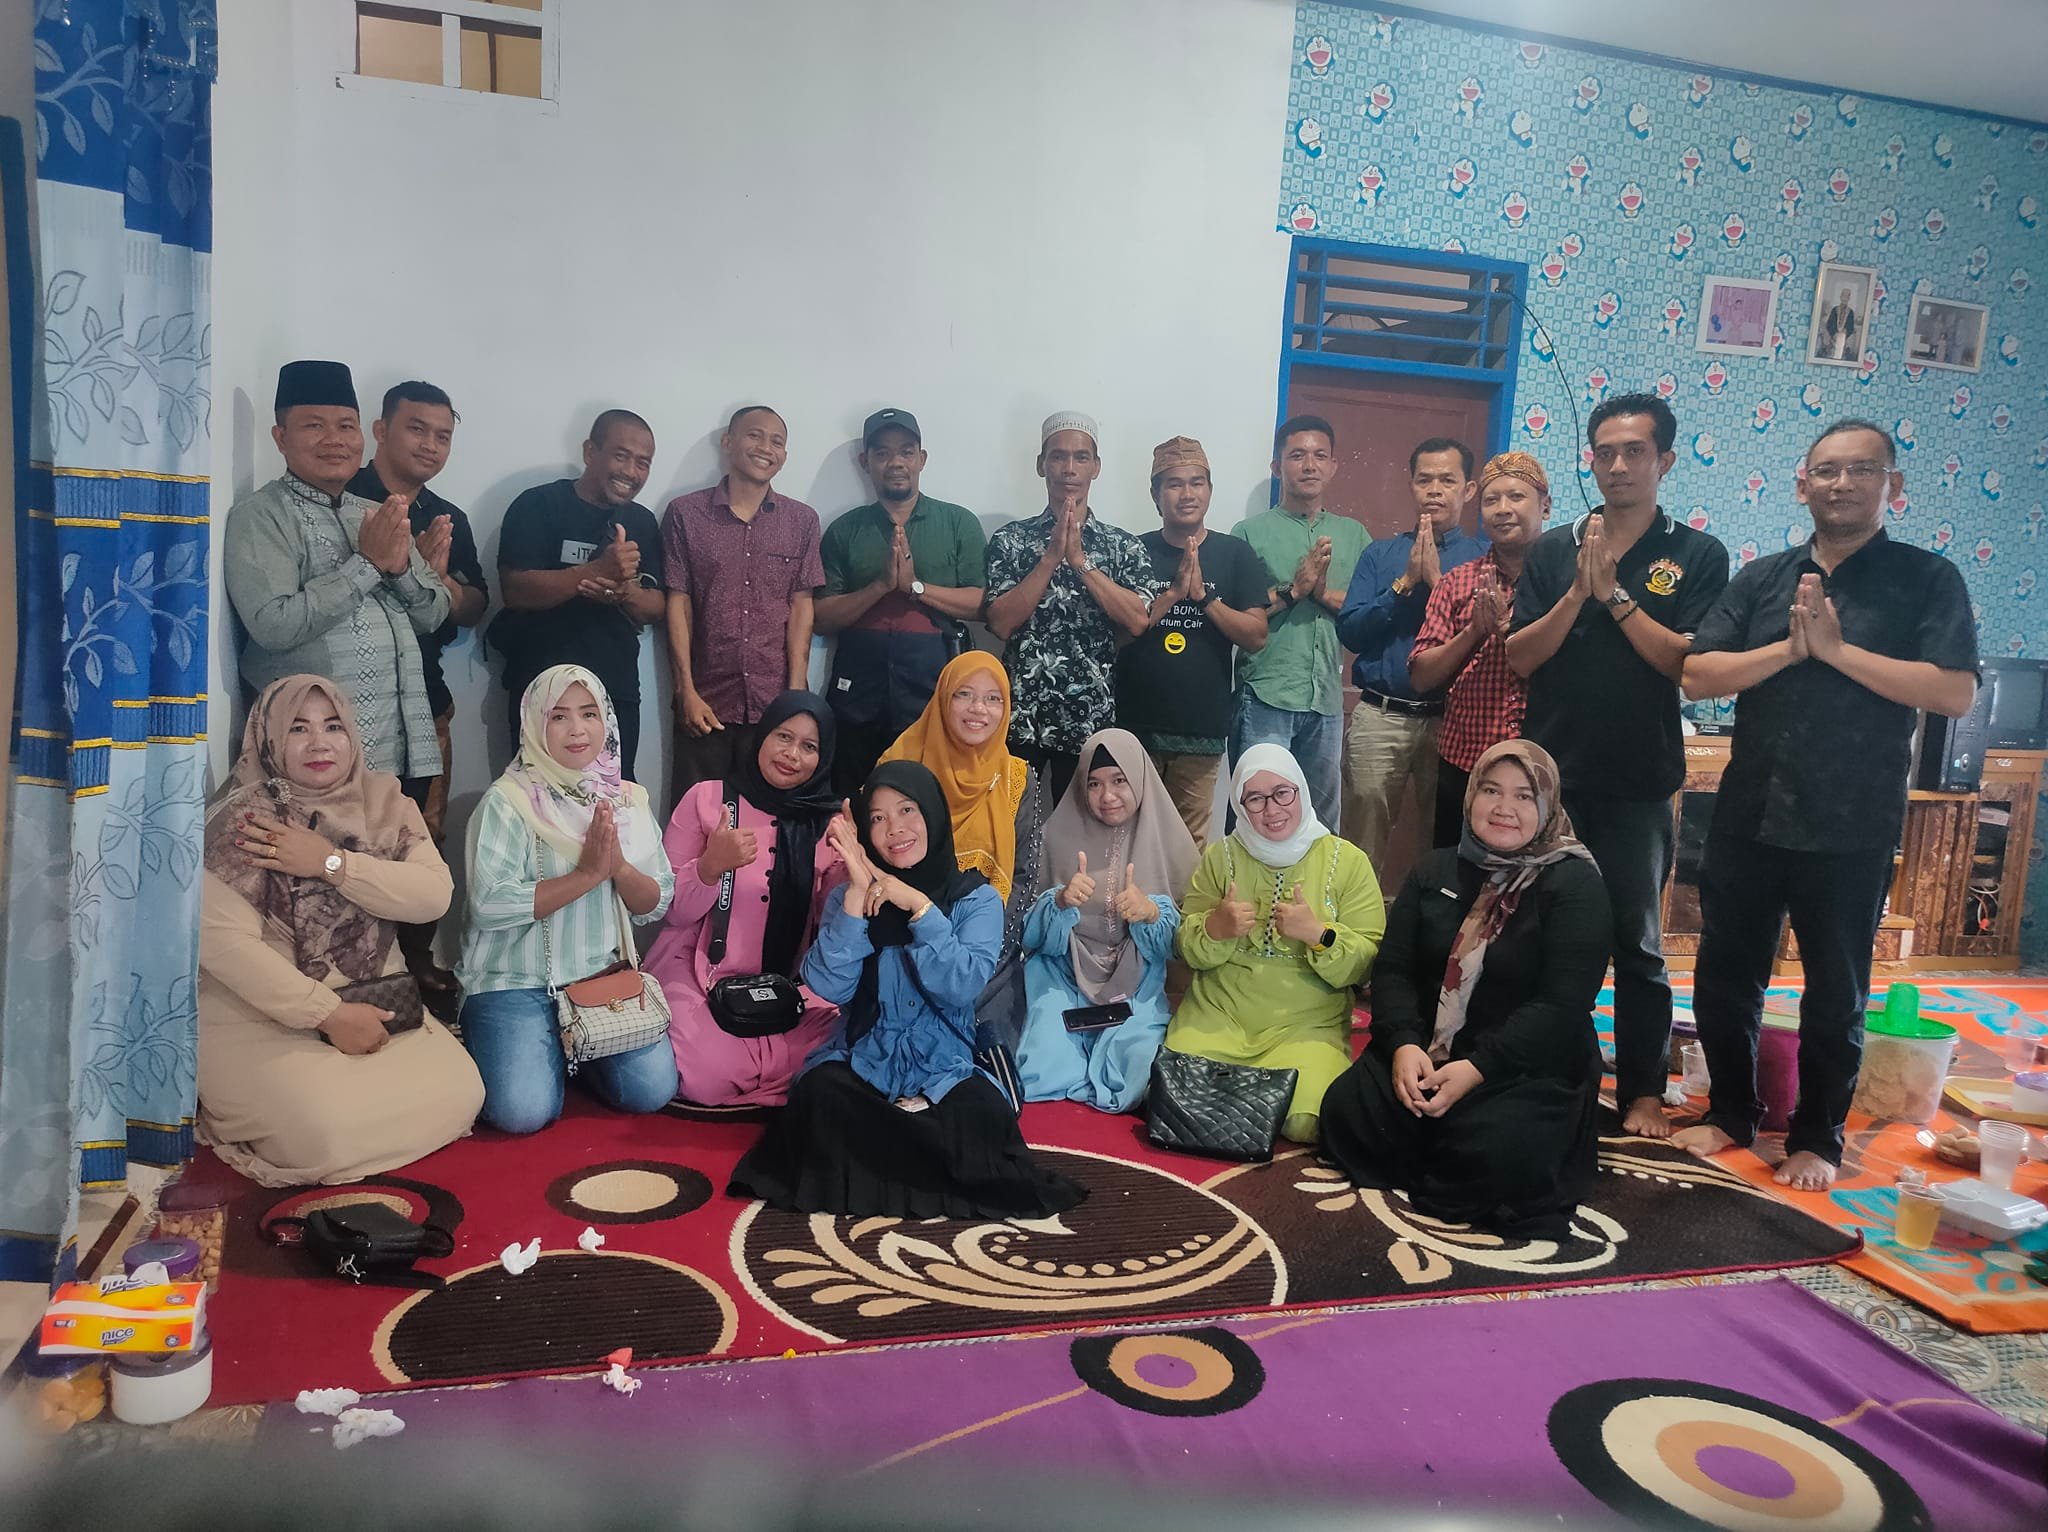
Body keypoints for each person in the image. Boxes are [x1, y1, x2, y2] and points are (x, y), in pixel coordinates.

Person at [1674, 421, 1978, 1191]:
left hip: (1851, 819)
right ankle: (1732, 1113)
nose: (1842, 484)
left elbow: (1953, 691)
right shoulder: (1764, 579)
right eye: (1827, 471)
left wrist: (1840, 653)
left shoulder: (1926, 579)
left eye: (1861, 470)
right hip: (1750, 811)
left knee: (1836, 991)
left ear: (1892, 486)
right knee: (1726, 975)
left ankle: (1818, 1137)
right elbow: (1699, 675)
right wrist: (1789, 649)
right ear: (1802, 484)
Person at [1506, 393, 1728, 1140]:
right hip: (1551, 781)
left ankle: (1642, 1091)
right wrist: (1578, 591)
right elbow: (1519, 657)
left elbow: (1685, 663)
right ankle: (1545, 1072)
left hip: (1639, 779)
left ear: (1664, 460)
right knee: (1540, 934)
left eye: (1635, 451)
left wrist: (1618, 596)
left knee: (1637, 945)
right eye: (1605, 452)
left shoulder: (1696, 554)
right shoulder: (1553, 548)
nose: (1618, 465)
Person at [727, 761, 1088, 1218]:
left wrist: (918, 907)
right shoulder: (847, 897)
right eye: (877, 818)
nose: (895, 829)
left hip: (944, 1061)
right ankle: (915, 1162)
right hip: (864, 1054)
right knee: (818, 1094)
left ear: (933, 814)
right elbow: (828, 985)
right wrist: (856, 897)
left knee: (981, 1114)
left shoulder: (975, 899)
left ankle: (877, 1164)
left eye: (907, 810)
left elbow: (961, 986)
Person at [197, 676, 483, 1187]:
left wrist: (331, 863)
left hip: (374, 1002)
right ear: (267, 737)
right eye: (298, 729)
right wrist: (327, 1013)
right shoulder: (244, 819)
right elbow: (224, 947)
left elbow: (432, 895)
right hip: (265, 1018)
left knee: (465, 1093)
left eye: (333, 726)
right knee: (325, 1134)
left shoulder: (383, 800)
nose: (319, 743)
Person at [1319, 741, 1610, 1236]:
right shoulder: (1435, 870)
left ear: (1547, 806)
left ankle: (1452, 1148)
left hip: (1522, 1065)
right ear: (1471, 794)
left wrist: (1477, 1069)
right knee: (1346, 1113)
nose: (1503, 808)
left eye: (1524, 796)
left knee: (1500, 1159)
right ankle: (1436, 1139)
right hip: (1429, 1050)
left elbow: (1562, 1005)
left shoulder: (1575, 884)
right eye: (1491, 790)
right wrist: (1404, 1046)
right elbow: (1394, 970)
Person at [457, 665, 678, 1133]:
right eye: (559, 716)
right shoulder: (508, 802)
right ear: (536, 723)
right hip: (514, 982)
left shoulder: (627, 802)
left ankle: (572, 1050)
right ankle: (553, 1050)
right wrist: (587, 875)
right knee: (522, 1113)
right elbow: (489, 906)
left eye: (589, 714)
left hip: (598, 980)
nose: (577, 729)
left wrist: (618, 868)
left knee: (654, 1091)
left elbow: (656, 903)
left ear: (607, 720)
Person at [224, 360, 449, 783]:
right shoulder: (261, 515)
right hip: (314, 761)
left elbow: (434, 614)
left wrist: (400, 568)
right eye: (314, 426)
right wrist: (368, 565)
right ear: (280, 437)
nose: (334, 440)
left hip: (403, 750)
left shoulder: (376, 513)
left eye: (346, 426)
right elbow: (273, 626)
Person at [347, 380, 488, 1012]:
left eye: (443, 435)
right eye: (416, 429)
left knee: (423, 834)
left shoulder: (447, 515)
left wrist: (436, 580)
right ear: (381, 431)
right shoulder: (343, 498)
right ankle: (356, 962)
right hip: (352, 705)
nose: (431, 445)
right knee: (354, 837)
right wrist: (412, 574)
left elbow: (475, 605)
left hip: (427, 704)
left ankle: (416, 959)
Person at [1167, 744, 1385, 1143]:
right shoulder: (1221, 857)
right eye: (1255, 799)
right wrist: (1215, 928)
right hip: (1220, 1017)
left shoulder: (1348, 861)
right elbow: (1186, 945)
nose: (1271, 809)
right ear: (1240, 805)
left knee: (1307, 1119)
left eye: (1282, 793)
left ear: (1301, 790)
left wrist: (1319, 935)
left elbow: (1368, 963)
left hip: (1306, 1026)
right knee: (1167, 1093)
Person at [647, 691, 844, 1107]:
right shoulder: (707, 799)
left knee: (848, 1047)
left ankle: (758, 1072)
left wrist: (852, 873)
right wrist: (710, 867)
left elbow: (833, 932)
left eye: (809, 746)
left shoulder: (829, 824)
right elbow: (671, 911)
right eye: (783, 736)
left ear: (823, 757)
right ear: (762, 736)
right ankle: (773, 1077)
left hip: (788, 983)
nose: (792, 755)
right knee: (707, 1078)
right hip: (698, 969)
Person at [1016, 729, 1198, 1112]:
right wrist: (1060, 902)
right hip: (1063, 977)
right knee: (1039, 1072)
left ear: (1139, 780)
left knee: (1137, 1077)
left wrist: (1150, 913)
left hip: (1136, 985)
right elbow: (1030, 938)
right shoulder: (1054, 837)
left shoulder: (1167, 839)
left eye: (1119, 781)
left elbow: (1183, 946)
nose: (1107, 796)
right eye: (1094, 784)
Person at [984, 411, 1161, 802]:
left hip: (1091, 716)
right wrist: (1050, 558)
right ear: (1041, 465)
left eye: (1081, 457)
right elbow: (1000, 623)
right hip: (1020, 717)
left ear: (1096, 467)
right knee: (1009, 823)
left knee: (1084, 829)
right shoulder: (1010, 540)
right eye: (1058, 456)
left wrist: (1081, 562)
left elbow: (1138, 620)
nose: (1069, 468)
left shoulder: (1122, 546)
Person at [813, 409, 988, 796]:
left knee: (929, 793)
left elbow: (981, 605)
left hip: (933, 676)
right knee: (851, 794)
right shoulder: (845, 530)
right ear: (865, 462)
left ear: (921, 459)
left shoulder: (957, 523)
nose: (896, 462)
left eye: (906, 452)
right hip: (858, 684)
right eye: (882, 453)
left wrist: (915, 588)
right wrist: (879, 587)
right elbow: (820, 617)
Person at [879, 654, 1044, 1049]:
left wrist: (984, 958)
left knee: (983, 1050)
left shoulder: (1018, 778)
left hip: (986, 950)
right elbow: (878, 861)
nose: (978, 709)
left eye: (993, 699)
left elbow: (1023, 877)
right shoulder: (901, 762)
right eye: (964, 694)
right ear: (942, 698)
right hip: (902, 943)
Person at [491, 411, 666, 780]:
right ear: (590, 452)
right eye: (621, 456)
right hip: (541, 686)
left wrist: (624, 592)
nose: (631, 471)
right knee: (533, 797)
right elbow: (514, 590)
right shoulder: (538, 504)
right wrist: (591, 573)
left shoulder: (643, 522)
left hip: (614, 690)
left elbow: (655, 607)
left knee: (614, 796)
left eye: (643, 462)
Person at [1337, 438, 1486, 871]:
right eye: (1425, 480)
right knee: (1361, 842)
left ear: (1468, 489)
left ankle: (1432, 914)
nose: (1434, 490)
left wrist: (1438, 583)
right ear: (1411, 486)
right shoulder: (1380, 554)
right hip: (1381, 715)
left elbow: (1486, 640)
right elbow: (1352, 632)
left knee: (1446, 839)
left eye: (1447, 480)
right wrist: (1403, 584)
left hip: (1454, 720)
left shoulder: (1482, 558)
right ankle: (1357, 914)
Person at [664, 405, 825, 801]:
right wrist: (685, 689)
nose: (765, 447)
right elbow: (678, 603)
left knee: (769, 820)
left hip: (774, 707)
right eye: (755, 435)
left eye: (777, 441)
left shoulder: (802, 521)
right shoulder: (686, 514)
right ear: (728, 442)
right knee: (696, 817)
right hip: (706, 703)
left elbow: (801, 607)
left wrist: (796, 695)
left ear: (784, 456)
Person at [1115, 436, 1270, 844]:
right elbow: (1113, 637)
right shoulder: (1132, 551)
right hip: (1133, 725)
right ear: (1155, 495)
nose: (1187, 494)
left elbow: (1256, 635)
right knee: (1127, 839)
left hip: (1201, 729)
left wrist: (1204, 598)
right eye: (1174, 484)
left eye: (1196, 483)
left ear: (1210, 490)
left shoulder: (1235, 554)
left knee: (1186, 846)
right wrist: (1170, 597)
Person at [1232, 415, 1370, 831]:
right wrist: (1295, 589)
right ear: (1277, 467)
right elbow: (1237, 615)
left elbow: (1366, 610)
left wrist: (1322, 593)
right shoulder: (1249, 533)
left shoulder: (1354, 535)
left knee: (1320, 822)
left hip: (1326, 698)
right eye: (1297, 456)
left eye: (1319, 456)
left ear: (1333, 466)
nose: (1309, 465)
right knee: (1257, 812)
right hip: (1265, 694)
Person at [1409, 452, 1551, 849]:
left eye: (1516, 497)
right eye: (1491, 500)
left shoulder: (1565, 581)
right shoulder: (1457, 581)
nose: (1503, 509)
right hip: (1466, 762)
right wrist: (1474, 631)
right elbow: (1421, 675)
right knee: (1458, 870)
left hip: (1546, 766)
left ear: (1545, 505)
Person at [1820, 288, 1860, 362]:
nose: (1845, 298)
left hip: (1843, 338)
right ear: (1840, 297)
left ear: (1849, 298)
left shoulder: (1850, 312)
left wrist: (1845, 332)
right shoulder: (1835, 309)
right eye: (1843, 296)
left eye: (1847, 296)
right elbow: (1829, 324)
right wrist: (1834, 333)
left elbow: (1851, 327)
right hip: (1833, 336)